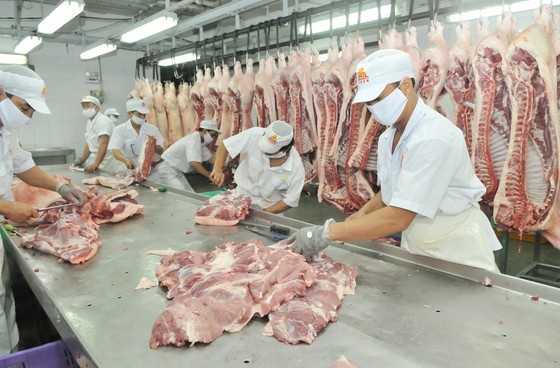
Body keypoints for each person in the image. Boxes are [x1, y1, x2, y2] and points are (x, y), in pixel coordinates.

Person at [288, 49, 502, 272]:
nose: (373, 108)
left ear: (406, 86)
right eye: (368, 102)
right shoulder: (388, 137)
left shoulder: (434, 137)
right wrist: (360, 216)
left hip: (457, 250)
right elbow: (395, 189)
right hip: (420, 246)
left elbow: (398, 217)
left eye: (379, 98)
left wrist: (327, 232)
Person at [0, 65, 88, 354]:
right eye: (25, 107)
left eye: (31, 112)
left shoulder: (5, 129)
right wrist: (6, 206)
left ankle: (11, 355)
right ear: (1, 94)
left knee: (3, 298)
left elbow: (23, 166)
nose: (28, 116)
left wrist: (59, 188)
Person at [210, 120, 305, 214]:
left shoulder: (296, 167)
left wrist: (261, 214)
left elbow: (289, 201)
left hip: (269, 207)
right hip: (240, 196)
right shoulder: (254, 134)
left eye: (270, 150)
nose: (264, 151)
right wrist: (217, 169)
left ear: (286, 149)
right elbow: (226, 145)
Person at [157, 120, 220, 191]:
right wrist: (209, 176)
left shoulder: (200, 143)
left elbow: (211, 159)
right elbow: (194, 164)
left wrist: (225, 165)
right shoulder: (192, 141)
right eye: (213, 135)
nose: (213, 138)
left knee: (188, 194)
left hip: (176, 171)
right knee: (183, 196)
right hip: (168, 170)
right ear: (205, 131)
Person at [107, 99, 164, 171]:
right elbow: (115, 150)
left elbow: (161, 151)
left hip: (150, 170)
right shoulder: (120, 129)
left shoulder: (152, 129)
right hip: (129, 170)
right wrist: (125, 160)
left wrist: (154, 145)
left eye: (144, 114)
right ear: (129, 113)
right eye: (139, 114)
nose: (143, 117)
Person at [73, 96, 115, 173]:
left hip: (107, 160)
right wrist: (81, 160)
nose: (85, 108)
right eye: (83, 106)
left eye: (88, 106)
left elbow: (103, 144)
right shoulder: (90, 122)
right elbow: (89, 143)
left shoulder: (103, 120)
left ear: (97, 108)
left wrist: (96, 163)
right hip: (98, 160)